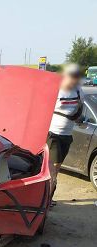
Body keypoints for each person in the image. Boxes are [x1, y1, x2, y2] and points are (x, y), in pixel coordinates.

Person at [48, 63, 84, 205]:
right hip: (53, 133)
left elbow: (80, 107)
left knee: (57, 169)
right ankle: (46, 200)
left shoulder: (79, 91)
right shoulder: (56, 90)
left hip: (67, 135)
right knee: (53, 167)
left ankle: (49, 197)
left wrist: (77, 117)